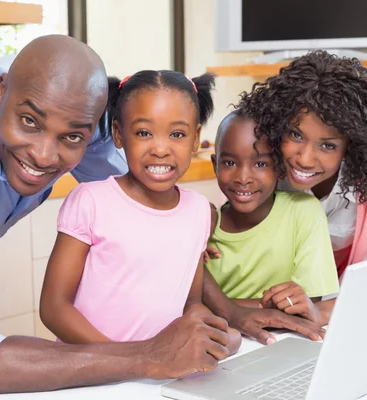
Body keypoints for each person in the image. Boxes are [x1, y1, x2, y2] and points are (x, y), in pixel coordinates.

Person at [0, 34, 325, 400]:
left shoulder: (93, 121)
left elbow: (159, 219)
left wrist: (229, 313)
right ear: (2, 90)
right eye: (28, 122)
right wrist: (146, 357)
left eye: (72, 137)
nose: (45, 155)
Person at [40, 70, 241, 355]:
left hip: (160, 375)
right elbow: (53, 308)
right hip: (93, 374)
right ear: (119, 134)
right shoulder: (91, 202)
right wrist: (131, 359)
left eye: (177, 134)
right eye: (144, 133)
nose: (160, 148)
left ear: (195, 139)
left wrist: (218, 335)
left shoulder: (197, 211)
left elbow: (191, 303)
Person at [237, 50, 367, 277]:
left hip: (349, 302)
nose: (304, 159)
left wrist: (327, 309)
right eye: (295, 134)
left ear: (352, 144)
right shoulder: (262, 159)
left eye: (328, 146)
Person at [206, 111, 339, 325]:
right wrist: (271, 308)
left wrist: (220, 305)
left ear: (279, 168)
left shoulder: (303, 212)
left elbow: (306, 304)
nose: (243, 178)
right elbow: (189, 306)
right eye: (230, 163)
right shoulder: (202, 226)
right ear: (215, 165)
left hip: (287, 335)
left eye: (260, 164)